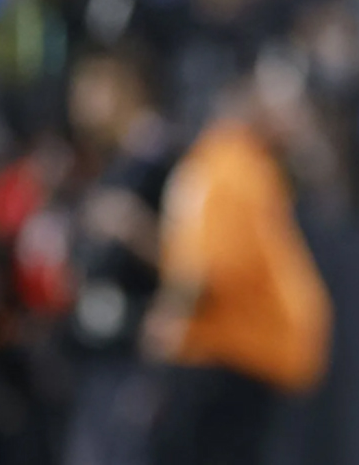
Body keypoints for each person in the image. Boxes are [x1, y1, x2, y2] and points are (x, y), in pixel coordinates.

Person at [143, 46, 332, 465]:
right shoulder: (228, 167)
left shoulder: (247, 166)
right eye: (285, 102)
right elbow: (203, 267)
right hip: (227, 366)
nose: (297, 116)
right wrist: (169, 326)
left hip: (246, 367)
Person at [63, 46, 179, 465]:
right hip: (99, 349)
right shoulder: (110, 160)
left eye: (94, 86)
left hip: (140, 351)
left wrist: (134, 228)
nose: (80, 99)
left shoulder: (164, 158)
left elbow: (193, 262)